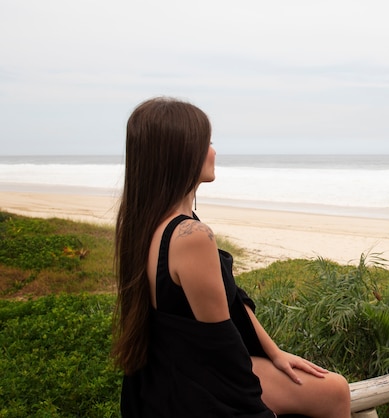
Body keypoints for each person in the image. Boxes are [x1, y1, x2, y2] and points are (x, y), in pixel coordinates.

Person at [112, 97, 351, 417]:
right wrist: (254, 409)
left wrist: (274, 352)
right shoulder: (192, 236)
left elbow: (232, 301)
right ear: (182, 152)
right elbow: (222, 346)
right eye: (207, 142)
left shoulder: (146, 223)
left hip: (164, 374)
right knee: (335, 390)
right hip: (195, 385)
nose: (213, 150)